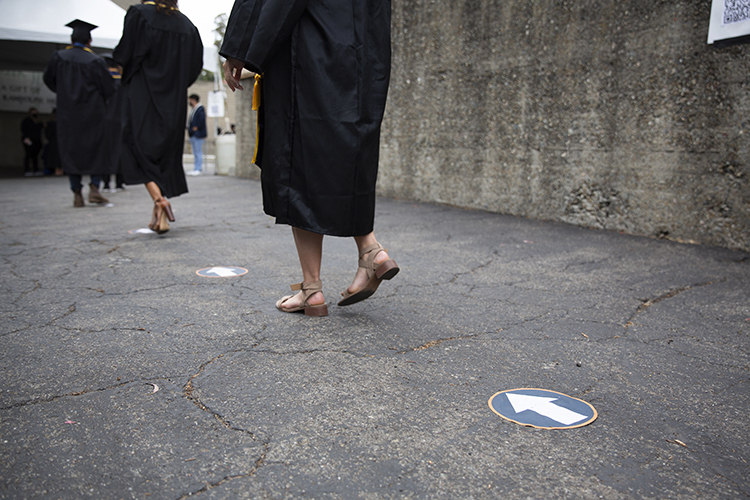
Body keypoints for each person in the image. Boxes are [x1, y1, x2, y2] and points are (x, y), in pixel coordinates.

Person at [221, 0, 398, 316]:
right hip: (362, 59)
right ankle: (370, 250)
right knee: (344, 153)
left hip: (309, 52)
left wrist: (241, 47)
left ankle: (312, 289)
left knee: (298, 165)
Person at [113, 0, 203, 234]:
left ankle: (158, 200)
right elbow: (194, 67)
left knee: (136, 147)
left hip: (142, 96)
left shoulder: (140, 14)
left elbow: (125, 54)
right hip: (173, 101)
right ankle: (159, 212)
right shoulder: (187, 25)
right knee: (164, 154)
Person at [43, 20, 115, 207]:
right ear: (89, 41)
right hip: (93, 113)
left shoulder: (59, 57)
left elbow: (49, 80)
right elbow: (109, 88)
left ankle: (76, 192)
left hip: (68, 113)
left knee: (70, 150)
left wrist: (65, 93)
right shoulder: (96, 61)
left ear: (71, 38)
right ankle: (94, 188)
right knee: (96, 150)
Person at [102, 54, 125, 192]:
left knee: (106, 152)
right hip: (122, 122)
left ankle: (105, 182)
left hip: (105, 122)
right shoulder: (125, 83)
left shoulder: (103, 83)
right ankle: (119, 182)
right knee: (120, 152)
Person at [186, 93, 206, 176]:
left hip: (197, 134)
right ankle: (196, 168)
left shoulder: (200, 109)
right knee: (195, 152)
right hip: (193, 134)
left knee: (198, 152)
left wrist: (196, 127)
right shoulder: (194, 109)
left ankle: (198, 168)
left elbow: (201, 119)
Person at [20, 108, 43, 176]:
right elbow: (23, 130)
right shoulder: (26, 121)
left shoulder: (38, 121)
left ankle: (36, 169)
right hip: (29, 140)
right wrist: (26, 137)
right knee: (28, 154)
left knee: (35, 155)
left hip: (36, 140)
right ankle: (27, 169)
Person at [42, 109, 62, 176]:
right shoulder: (62, 123)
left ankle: (56, 170)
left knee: (54, 158)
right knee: (58, 158)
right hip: (60, 143)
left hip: (53, 144)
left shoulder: (50, 124)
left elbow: (48, 135)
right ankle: (59, 170)